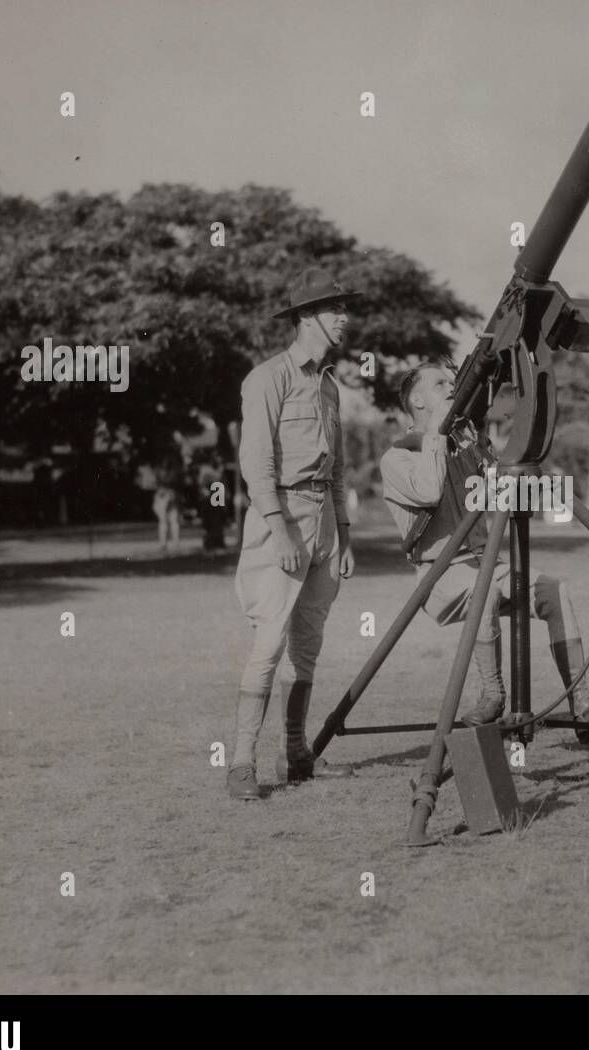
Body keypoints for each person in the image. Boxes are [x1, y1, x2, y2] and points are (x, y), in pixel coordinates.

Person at [379, 362, 589, 742]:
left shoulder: (468, 447)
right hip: (441, 575)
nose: (452, 388)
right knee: (485, 587)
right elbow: (427, 490)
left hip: (486, 565)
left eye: (453, 382)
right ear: (417, 400)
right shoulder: (399, 457)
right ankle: (492, 694)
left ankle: (584, 706)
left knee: (555, 591)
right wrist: (439, 436)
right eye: (440, 383)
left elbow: (509, 497)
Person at [227, 268, 359, 800]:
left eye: (344, 309)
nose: (343, 318)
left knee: (308, 645)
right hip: (279, 515)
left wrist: (343, 535)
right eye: (333, 310)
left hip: (323, 519)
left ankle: (297, 753)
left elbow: (340, 467)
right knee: (268, 643)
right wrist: (280, 530)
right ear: (305, 318)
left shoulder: (329, 386)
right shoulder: (269, 377)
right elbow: (255, 463)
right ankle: (240, 763)